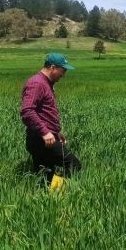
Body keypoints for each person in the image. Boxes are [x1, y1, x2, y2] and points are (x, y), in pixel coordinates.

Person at [20, 53, 81, 184]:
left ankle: (50, 199)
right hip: (41, 140)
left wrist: (55, 132)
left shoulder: (46, 83)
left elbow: (44, 113)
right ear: (52, 67)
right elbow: (27, 111)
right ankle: (61, 193)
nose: (64, 74)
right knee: (74, 165)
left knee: (46, 176)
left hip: (45, 138)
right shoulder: (37, 83)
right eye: (63, 70)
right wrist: (46, 132)